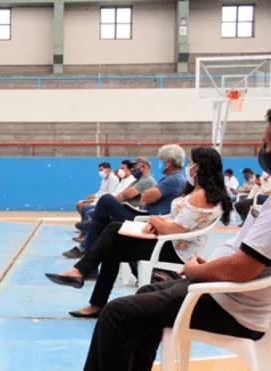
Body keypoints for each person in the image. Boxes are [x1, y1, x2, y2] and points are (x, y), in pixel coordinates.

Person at [80, 118, 271, 371]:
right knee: (144, 297)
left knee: (116, 315)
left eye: (268, 144)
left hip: (231, 305)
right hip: (226, 291)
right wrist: (211, 265)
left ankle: (84, 269)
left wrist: (197, 271)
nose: (264, 151)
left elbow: (243, 268)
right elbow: (250, 258)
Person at [46, 146, 232, 318]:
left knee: (112, 232)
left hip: (175, 249)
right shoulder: (201, 192)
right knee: (113, 243)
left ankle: (83, 277)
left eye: (190, 163)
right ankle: (87, 284)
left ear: (198, 168)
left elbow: (174, 229)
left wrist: (154, 221)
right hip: (171, 241)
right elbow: (176, 220)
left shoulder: (201, 197)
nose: (187, 167)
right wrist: (159, 222)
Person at [75, 160, 136, 241]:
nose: (120, 170)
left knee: (85, 208)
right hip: (104, 199)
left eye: (122, 168)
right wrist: (94, 197)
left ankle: (85, 233)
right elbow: (111, 193)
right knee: (81, 205)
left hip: (112, 202)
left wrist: (95, 198)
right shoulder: (110, 180)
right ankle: (86, 229)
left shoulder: (115, 179)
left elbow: (111, 194)